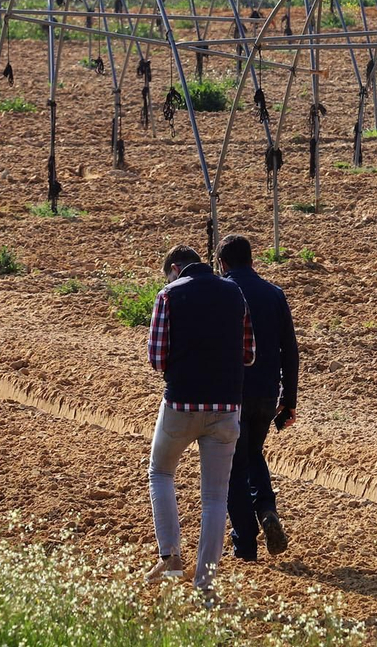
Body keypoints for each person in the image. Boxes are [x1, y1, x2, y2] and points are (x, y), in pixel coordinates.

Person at [145, 244, 255, 592]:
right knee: (215, 498)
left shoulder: (168, 295)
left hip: (181, 403)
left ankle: (171, 557)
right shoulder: (235, 292)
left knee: (160, 472)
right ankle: (205, 584)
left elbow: (157, 359)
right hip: (226, 407)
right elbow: (249, 355)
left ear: (175, 269)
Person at [216, 234, 299, 562]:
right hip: (266, 395)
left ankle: (245, 545)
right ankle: (266, 509)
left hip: (232, 394)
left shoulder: (225, 294)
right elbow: (290, 351)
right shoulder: (274, 294)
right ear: (253, 260)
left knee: (235, 467)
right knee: (252, 453)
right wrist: (288, 399)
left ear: (222, 264)